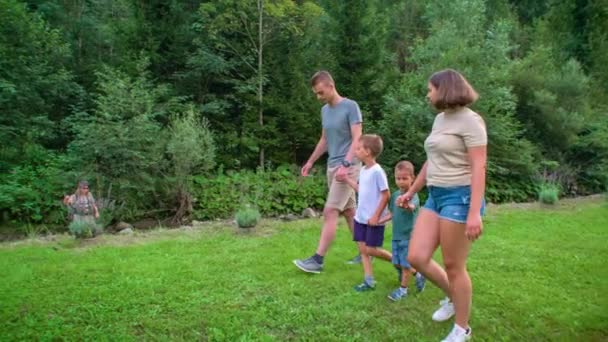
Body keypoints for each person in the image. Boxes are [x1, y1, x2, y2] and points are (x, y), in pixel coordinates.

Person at [398, 69, 487, 342]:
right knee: (416, 257)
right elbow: (430, 161)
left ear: (444, 89)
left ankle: (462, 328)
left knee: (453, 265)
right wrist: (411, 191)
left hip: (459, 198)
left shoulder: (472, 122)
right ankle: (453, 297)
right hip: (435, 196)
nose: (428, 94)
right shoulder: (440, 119)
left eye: (430, 89)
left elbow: (479, 165)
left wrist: (474, 212)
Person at [293, 71, 363, 273]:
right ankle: (365, 252)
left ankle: (317, 260)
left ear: (331, 86)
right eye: (316, 93)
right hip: (332, 165)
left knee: (330, 210)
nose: (318, 97)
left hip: (347, 167)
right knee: (350, 212)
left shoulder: (351, 106)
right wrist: (311, 161)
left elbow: (357, 138)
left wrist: (347, 165)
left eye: (321, 92)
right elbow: (324, 140)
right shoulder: (325, 111)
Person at [340, 134, 392, 291]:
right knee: (363, 251)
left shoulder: (377, 171)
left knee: (371, 250)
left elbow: (386, 194)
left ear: (368, 151)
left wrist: (376, 215)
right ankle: (369, 281)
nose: (355, 151)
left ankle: (405, 264)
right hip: (361, 218)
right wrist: (347, 180)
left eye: (359, 148)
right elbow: (361, 189)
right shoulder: (363, 170)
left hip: (373, 219)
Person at [383, 161, 426, 301]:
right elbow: (392, 213)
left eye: (404, 178)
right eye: (398, 178)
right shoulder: (395, 195)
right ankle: (419, 274)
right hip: (396, 235)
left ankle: (403, 290)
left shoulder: (413, 195)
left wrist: (406, 203)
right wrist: (378, 220)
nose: (401, 182)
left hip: (409, 236)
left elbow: (412, 207)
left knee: (405, 265)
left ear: (412, 178)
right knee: (396, 263)